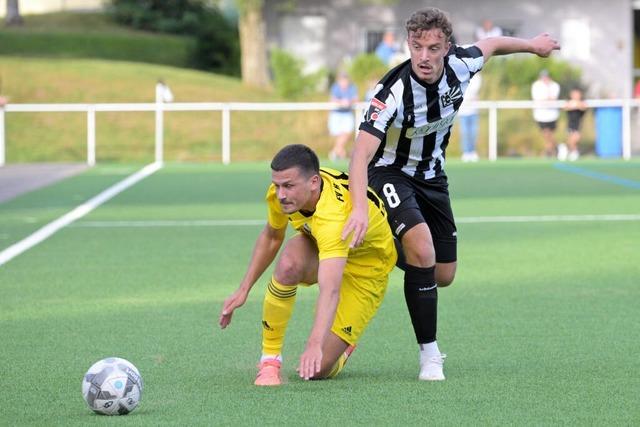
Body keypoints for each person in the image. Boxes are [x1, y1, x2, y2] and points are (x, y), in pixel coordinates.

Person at [342, 7, 559, 381]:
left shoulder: (463, 64)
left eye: (433, 48)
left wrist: (532, 45)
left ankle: (382, 249)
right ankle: (429, 354)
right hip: (389, 172)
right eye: (417, 47)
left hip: (434, 178)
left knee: (442, 274)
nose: (424, 57)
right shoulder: (392, 92)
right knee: (423, 250)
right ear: (409, 45)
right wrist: (359, 209)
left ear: (447, 48)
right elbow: (360, 155)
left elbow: (491, 44)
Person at [219, 144, 396, 386]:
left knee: (316, 371)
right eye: (277, 184)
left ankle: (346, 340)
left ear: (313, 182)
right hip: (323, 246)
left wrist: (314, 344)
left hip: (366, 268)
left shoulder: (333, 217)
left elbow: (330, 290)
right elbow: (272, 237)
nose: (281, 194)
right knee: (289, 263)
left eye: (288, 186)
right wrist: (243, 289)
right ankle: (269, 361)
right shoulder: (281, 194)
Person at [328, 72, 358, 161]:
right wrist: (342, 102)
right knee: (338, 134)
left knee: (347, 132)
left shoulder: (352, 87)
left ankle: (335, 151)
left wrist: (349, 102)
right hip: (336, 113)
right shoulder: (335, 87)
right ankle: (340, 151)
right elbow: (332, 99)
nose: (344, 82)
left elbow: (355, 98)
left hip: (347, 113)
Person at [531, 69, 561, 158]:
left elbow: (553, 98)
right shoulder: (536, 85)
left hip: (552, 115)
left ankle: (549, 151)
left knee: (549, 134)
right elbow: (537, 99)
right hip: (540, 115)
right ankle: (555, 148)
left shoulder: (555, 85)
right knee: (546, 134)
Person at [458, 74, 482, 162]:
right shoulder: (461, 75)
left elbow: (474, 90)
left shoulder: (476, 76)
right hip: (463, 111)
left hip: (474, 111)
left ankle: (472, 152)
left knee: (473, 133)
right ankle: (466, 152)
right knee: (464, 133)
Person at [563, 88, 588, 161]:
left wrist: (577, 104)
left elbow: (583, 108)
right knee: (573, 138)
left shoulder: (582, 102)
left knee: (576, 139)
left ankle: (568, 149)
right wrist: (572, 105)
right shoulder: (569, 102)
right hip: (571, 124)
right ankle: (573, 151)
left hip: (579, 124)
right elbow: (565, 108)